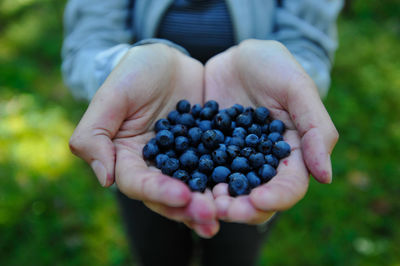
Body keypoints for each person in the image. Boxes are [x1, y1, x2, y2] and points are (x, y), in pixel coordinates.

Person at [62, 0, 342, 265]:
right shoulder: (163, 137)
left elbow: (309, 41)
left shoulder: (248, 142)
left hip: (257, 94)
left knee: (236, 250)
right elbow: (87, 42)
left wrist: (294, 81)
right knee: (156, 250)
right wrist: (118, 73)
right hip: (142, 124)